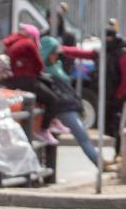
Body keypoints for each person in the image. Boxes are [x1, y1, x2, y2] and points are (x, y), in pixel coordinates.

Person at [40, 35, 100, 166]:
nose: (56, 56)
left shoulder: (57, 66)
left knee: (82, 136)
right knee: (82, 136)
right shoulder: (43, 70)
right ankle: (99, 163)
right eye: (54, 53)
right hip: (63, 108)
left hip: (69, 105)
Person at [2, 23, 59, 145]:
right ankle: (44, 129)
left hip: (10, 81)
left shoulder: (11, 43)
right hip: (27, 80)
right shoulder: (28, 43)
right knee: (52, 100)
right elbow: (39, 64)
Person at [104, 25, 126, 156]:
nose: (106, 40)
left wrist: (118, 95)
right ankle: (117, 153)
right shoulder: (106, 52)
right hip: (110, 97)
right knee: (111, 126)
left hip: (120, 99)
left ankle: (120, 153)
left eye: (109, 37)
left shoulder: (123, 55)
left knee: (119, 126)